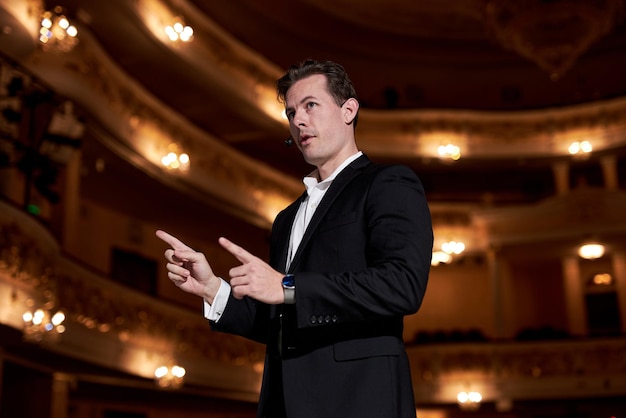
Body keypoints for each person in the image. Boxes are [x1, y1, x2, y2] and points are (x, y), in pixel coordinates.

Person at [156, 59, 433, 418]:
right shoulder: (286, 218)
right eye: (291, 112)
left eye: (310, 106)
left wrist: (289, 287)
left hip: (359, 399)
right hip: (284, 404)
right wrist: (214, 290)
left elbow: (403, 285)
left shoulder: (388, 183)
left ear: (348, 110)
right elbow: (282, 320)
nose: (298, 120)